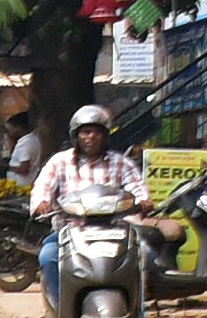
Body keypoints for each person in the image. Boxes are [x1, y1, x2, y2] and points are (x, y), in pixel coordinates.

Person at [27, 102, 147, 306]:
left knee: (144, 256)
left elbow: (137, 187)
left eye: (97, 132)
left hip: (115, 233)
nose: (91, 137)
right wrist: (42, 203)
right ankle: (61, 308)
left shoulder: (121, 162)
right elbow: (42, 188)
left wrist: (143, 200)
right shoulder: (59, 162)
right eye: (86, 132)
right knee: (48, 257)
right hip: (70, 233)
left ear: (105, 136)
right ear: (76, 136)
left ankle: (135, 309)